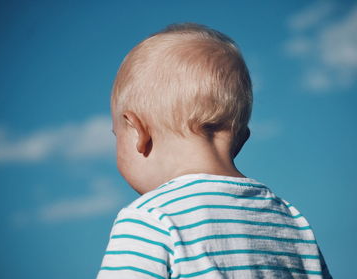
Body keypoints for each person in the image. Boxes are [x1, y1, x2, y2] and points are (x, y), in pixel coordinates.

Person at [96, 22, 332, 278]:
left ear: (138, 131)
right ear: (242, 139)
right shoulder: (292, 222)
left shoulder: (149, 219)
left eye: (115, 135)